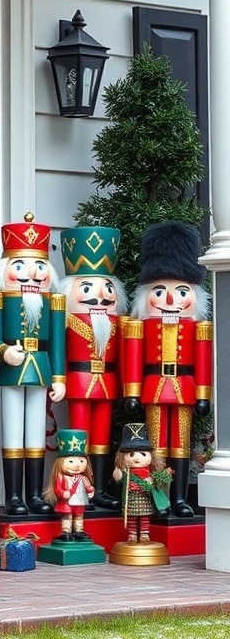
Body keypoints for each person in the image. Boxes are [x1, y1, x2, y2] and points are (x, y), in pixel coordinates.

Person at [121, 221, 212, 518]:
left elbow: (203, 362)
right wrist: (132, 392)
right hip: (154, 387)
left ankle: (181, 499)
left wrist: (203, 395)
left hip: (184, 387)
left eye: (181, 291)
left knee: (181, 445)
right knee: (157, 445)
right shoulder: (140, 326)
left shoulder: (199, 328)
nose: (171, 300)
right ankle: (160, 500)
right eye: (160, 292)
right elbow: (133, 359)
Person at [0, 214, 66, 516]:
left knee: (35, 433)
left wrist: (59, 378)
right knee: (12, 433)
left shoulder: (53, 301)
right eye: (19, 267)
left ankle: (34, 495)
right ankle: (14, 496)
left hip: (41, 367)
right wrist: (4, 351)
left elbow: (57, 344)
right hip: (12, 369)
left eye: (39, 268)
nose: (31, 276)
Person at [58, 226, 128, 510]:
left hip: (107, 382)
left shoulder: (118, 323)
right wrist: (58, 379)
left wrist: (128, 387)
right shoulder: (66, 320)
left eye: (107, 288)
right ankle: (77, 490)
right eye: (86, 288)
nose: (99, 296)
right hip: (78, 380)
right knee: (79, 436)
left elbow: (126, 355)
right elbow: (59, 351)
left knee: (101, 438)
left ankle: (97, 489)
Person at [112, 422, 171, 544]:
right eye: (131, 454)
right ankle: (132, 534)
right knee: (132, 517)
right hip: (131, 498)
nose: (136, 458)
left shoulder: (150, 473)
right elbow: (119, 479)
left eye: (143, 454)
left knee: (145, 517)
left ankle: (144, 533)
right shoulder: (127, 473)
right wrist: (118, 475)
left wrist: (154, 481)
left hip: (145, 498)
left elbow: (157, 484)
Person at [43, 429, 95, 541]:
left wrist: (90, 489)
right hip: (67, 502)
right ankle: (66, 532)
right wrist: (63, 493)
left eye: (81, 461)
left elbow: (87, 488)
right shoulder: (61, 477)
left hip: (79, 502)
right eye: (71, 461)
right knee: (67, 516)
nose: (77, 465)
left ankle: (78, 531)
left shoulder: (83, 478)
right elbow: (58, 489)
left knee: (79, 516)